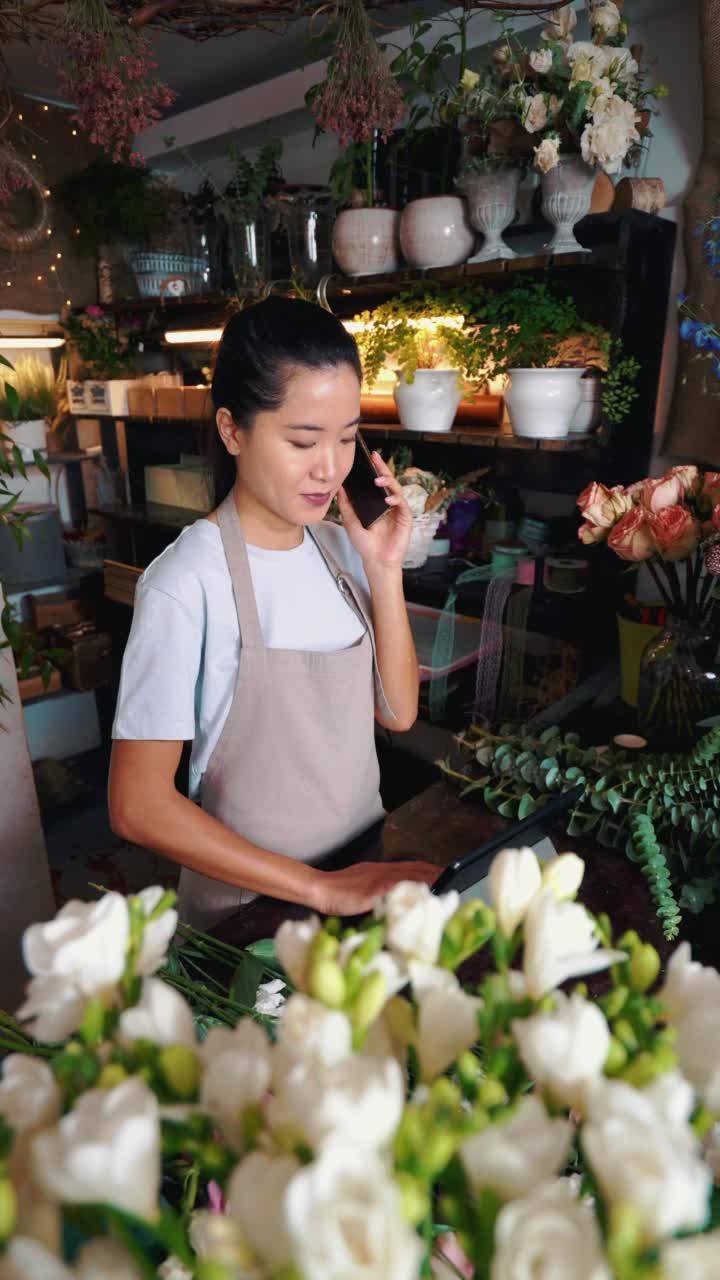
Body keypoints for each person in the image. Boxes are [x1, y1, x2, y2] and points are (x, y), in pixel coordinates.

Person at [109, 296, 438, 928]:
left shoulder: (340, 548)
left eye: (347, 439)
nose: (330, 467)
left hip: (359, 881)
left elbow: (397, 713)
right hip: (249, 921)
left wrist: (385, 569)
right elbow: (137, 805)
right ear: (232, 430)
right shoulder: (185, 583)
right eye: (302, 440)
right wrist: (320, 887)